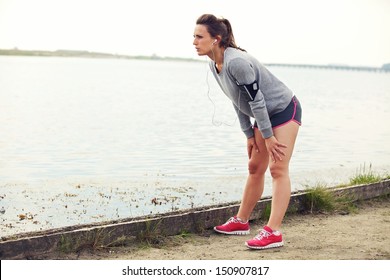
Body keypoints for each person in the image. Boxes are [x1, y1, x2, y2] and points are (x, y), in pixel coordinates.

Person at [193, 14, 302, 250]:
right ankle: (241, 221)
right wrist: (249, 135)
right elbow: (237, 98)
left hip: (283, 109)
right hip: (264, 115)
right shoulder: (215, 63)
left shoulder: (236, 62)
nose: (194, 41)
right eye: (194, 36)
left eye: (199, 36)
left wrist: (269, 137)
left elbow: (257, 101)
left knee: (278, 168)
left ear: (216, 39)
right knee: (254, 167)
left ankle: (273, 232)